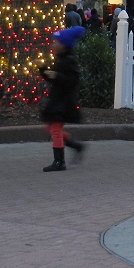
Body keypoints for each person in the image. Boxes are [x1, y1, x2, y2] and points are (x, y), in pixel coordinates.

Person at [40, 26, 86, 171]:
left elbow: (72, 80)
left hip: (63, 101)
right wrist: (43, 69)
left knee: (54, 129)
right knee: (51, 128)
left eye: (56, 42)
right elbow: (53, 78)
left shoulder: (69, 61)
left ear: (64, 45)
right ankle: (75, 145)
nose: (53, 45)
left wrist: (57, 76)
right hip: (58, 99)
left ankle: (59, 161)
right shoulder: (61, 60)